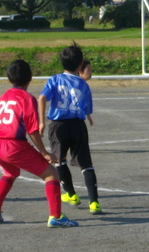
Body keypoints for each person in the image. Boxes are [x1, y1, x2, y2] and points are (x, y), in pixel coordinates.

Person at [0, 60, 78, 227]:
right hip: (12, 145)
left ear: (9, 78)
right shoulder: (27, 98)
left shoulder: (2, 97)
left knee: (11, 172)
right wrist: (44, 152)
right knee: (51, 173)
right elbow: (32, 130)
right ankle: (56, 216)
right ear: (30, 77)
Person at [38, 44, 102, 215]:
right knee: (86, 164)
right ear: (80, 63)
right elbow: (87, 107)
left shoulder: (55, 79)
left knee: (59, 160)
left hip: (58, 125)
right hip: (78, 126)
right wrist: (87, 116)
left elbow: (42, 97)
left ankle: (72, 195)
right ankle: (94, 203)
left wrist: (41, 121)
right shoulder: (83, 84)